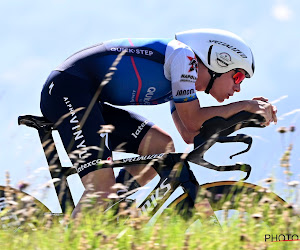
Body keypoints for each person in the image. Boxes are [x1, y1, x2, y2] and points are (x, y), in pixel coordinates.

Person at [40, 28, 277, 216]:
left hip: (84, 95)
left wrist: (243, 117)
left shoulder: (185, 81)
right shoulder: (184, 58)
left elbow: (189, 134)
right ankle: (69, 240)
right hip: (67, 89)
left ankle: (110, 214)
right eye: (237, 76)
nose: (238, 87)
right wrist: (244, 106)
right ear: (219, 60)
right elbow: (193, 120)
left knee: (160, 147)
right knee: (101, 188)